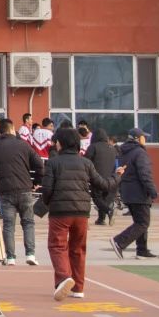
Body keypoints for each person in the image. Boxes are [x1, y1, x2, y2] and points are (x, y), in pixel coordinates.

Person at [39, 126, 112, 300]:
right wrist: (117, 176)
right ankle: (78, 288)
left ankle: (64, 277)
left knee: (57, 246)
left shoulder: (53, 162)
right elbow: (103, 184)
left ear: (61, 143)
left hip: (60, 211)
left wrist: (46, 203)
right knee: (78, 249)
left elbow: (47, 189)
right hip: (81, 211)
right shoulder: (86, 163)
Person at [0, 118, 42, 265]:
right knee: (28, 222)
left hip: (5, 191)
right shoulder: (24, 145)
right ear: (12, 129)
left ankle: (10, 257)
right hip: (25, 188)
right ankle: (30, 254)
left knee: (8, 224)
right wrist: (36, 182)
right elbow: (39, 165)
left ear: (0, 131)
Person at [110, 128, 158, 259]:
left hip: (127, 191)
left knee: (139, 221)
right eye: (143, 137)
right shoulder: (140, 153)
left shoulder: (122, 152)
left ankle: (142, 250)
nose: (145, 139)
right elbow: (145, 174)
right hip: (139, 192)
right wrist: (152, 191)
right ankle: (119, 241)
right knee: (143, 223)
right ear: (138, 139)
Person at [84, 128, 117, 224]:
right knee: (104, 198)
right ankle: (101, 219)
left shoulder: (93, 147)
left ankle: (109, 211)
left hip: (97, 176)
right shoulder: (112, 148)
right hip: (110, 178)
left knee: (96, 197)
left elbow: (86, 161)